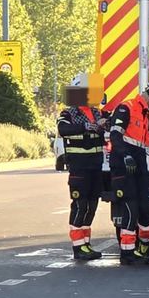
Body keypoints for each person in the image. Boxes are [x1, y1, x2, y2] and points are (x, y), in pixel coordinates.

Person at [109, 80, 149, 266]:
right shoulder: (126, 108)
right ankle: (127, 253)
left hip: (139, 164)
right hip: (123, 164)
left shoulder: (145, 114)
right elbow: (115, 135)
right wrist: (125, 156)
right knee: (130, 207)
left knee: (145, 207)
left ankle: (143, 249)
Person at [57, 76, 106, 261]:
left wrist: (103, 124)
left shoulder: (96, 112)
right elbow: (63, 129)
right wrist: (86, 126)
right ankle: (78, 247)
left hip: (95, 166)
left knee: (92, 205)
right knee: (80, 205)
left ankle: (86, 244)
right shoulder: (69, 113)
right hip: (79, 167)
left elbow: (104, 128)